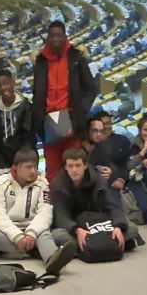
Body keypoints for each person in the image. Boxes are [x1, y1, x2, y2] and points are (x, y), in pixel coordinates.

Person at [0, 149, 77, 273]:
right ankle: (36, 251)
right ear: (16, 167)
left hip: (34, 230)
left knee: (46, 233)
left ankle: (51, 259)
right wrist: (17, 236)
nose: (33, 171)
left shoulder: (42, 183)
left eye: (35, 167)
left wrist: (31, 233)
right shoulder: (1, 183)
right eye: (28, 167)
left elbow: (45, 213)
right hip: (9, 231)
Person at [32, 21, 97, 181]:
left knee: (73, 169)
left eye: (58, 35)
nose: (55, 39)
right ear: (47, 38)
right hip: (48, 124)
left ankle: (73, 205)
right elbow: (37, 92)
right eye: (51, 35)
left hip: (71, 123)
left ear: (65, 36)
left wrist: (80, 111)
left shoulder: (76, 58)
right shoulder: (40, 60)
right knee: (52, 172)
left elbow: (91, 88)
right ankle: (53, 205)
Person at [50, 146, 140, 253]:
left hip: (98, 223)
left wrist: (118, 227)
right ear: (65, 167)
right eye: (70, 166)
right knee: (57, 235)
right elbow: (61, 215)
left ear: (85, 165)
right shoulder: (58, 185)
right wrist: (77, 230)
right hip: (76, 226)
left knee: (132, 228)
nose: (74, 170)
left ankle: (84, 248)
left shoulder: (97, 180)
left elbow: (111, 206)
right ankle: (110, 244)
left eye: (78, 165)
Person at [0, 69, 34, 170]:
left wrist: (21, 158)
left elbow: (28, 135)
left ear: (13, 82)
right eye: (0, 86)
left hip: (23, 154)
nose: (3, 88)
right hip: (0, 157)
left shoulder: (25, 106)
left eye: (6, 84)